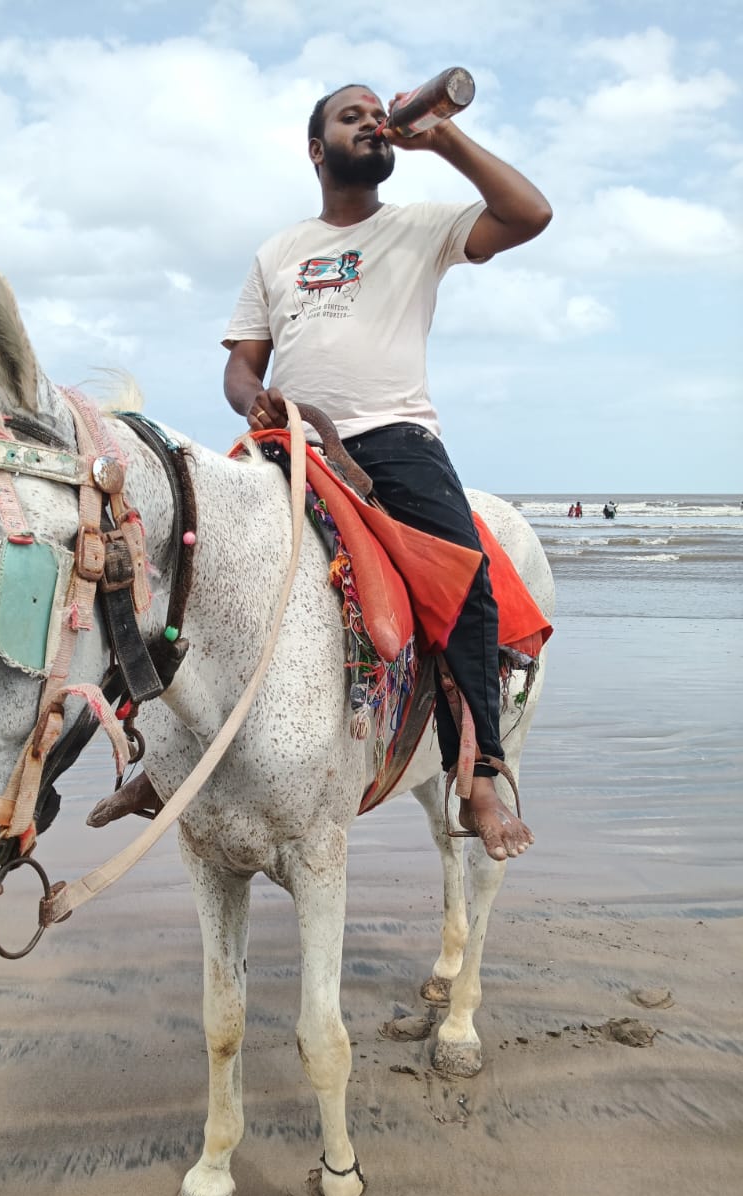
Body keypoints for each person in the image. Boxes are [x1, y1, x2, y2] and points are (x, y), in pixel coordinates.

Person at [221, 83, 551, 861]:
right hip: (292, 442)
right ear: (316, 148)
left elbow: (529, 215)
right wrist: (251, 402)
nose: (371, 122)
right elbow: (241, 365)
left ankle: (477, 776)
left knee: (464, 584)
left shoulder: (421, 227)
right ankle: (166, 759)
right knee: (194, 552)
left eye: (378, 114)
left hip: (394, 439)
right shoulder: (277, 251)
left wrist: (443, 140)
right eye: (350, 115)